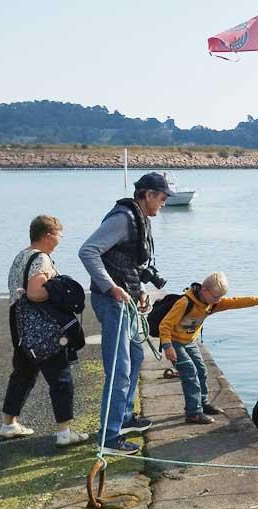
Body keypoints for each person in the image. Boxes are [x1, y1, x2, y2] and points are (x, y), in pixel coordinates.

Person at [79, 172, 171, 455]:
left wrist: (138, 289)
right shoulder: (122, 219)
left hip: (127, 301)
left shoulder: (139, 219)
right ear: (148, 195)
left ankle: (126, 417)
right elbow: (88, 251)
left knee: (137, 356)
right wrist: (110, 288)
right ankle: (109, 437)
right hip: (113, 303)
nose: (164, 204)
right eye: (162, 198)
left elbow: (126, 261)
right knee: (119, 369)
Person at [0, 215, 89, 447]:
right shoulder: (41, 259)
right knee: (60, 377)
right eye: (59, 234)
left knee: (23, 372)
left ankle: (9, 423)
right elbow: (35, 293)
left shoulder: (21, 255)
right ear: (49, 235)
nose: (60, 239)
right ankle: (64, 431)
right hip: (41, 325)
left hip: (20, 324)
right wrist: (59, 291)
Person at [159, 272, 258, 424]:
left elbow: (236, 302)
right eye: (216, 297)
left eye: (220, 297)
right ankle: (193, 412)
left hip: (189, 341)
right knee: (189, 371)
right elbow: (165, 325)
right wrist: (168, 347)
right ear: (204, 290)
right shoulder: (184, 303)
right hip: (175, 342)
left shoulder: (212, 303)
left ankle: (202, 402)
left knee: (201, 370)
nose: (218, 300)